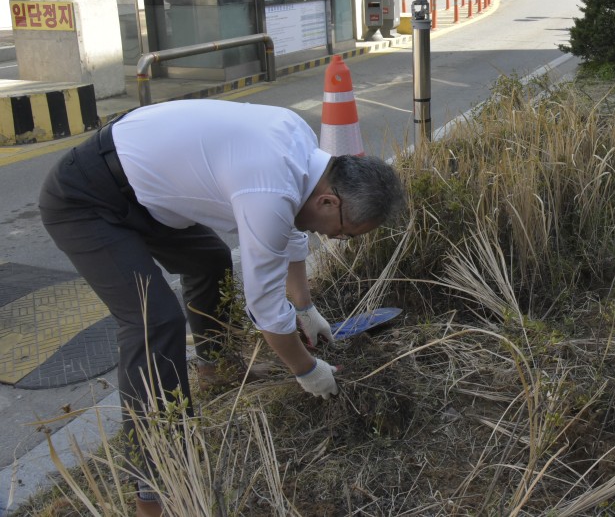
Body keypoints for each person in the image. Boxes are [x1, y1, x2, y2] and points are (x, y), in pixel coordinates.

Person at [38, 99, 406, 516]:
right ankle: (153, 490)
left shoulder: (305, 152)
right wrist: (306, 370)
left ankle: (213, 369)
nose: (336, 240)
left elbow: (292, 237)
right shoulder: (270, 189)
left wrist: (304, 308)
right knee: (153, 322)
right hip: (84, 198)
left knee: (210, 261)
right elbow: (265, 306)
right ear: (329, 202)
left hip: (144, 191)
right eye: (343, 234)